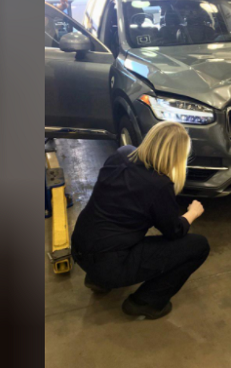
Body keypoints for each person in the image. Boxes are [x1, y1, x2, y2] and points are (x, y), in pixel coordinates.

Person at [71, 121, 210, 319]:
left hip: (79, 248)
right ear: (178, 157)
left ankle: (98, 280)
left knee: (113, 228)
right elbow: (174, 231)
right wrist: (192, 213)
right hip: (108, 263)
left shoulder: (122, 153)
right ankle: (145, 303)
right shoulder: (160, 185)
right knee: (198, 246)